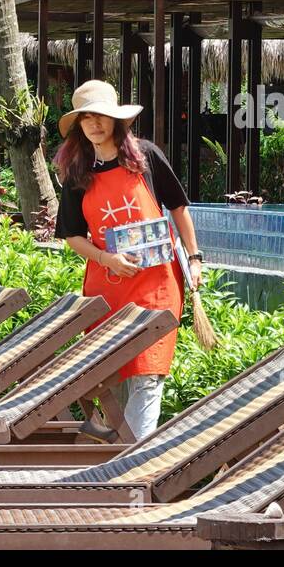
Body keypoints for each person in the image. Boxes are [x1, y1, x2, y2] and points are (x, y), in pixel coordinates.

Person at [53, 79, 203, 440]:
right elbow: (72, 236)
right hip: (108, 288)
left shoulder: (147, 156)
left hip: (157, 284)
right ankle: (115, 445)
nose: (94, 124)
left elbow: (178, 207)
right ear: (79, 126)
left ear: (116, 120)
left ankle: (131, 463)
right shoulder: (76, 173)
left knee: (148, 373)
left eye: (101, 116)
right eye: (86, 118)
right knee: (113, 373)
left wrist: (194, 257)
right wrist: (106, 258)